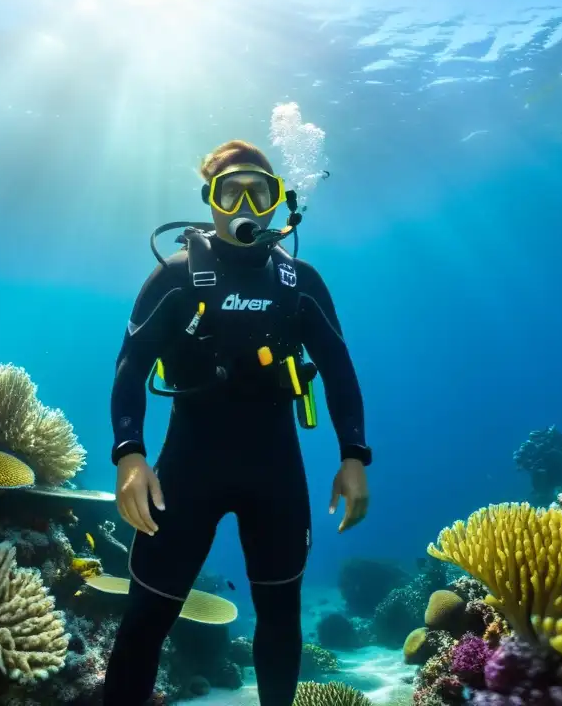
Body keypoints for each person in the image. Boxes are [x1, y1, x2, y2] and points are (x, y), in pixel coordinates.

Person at [103, 140, 371, 706]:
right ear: (211, 202)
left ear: (279, 202)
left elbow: (340, 370)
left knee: (279, 615)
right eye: (231, 191)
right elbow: (129, 367)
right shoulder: (174, 278)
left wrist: (354, 456)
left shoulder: (301, 282)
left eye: (260, 190)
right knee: (148, 614)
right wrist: (129, 454)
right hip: (186, 467)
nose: (246, 202)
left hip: (274, 470)